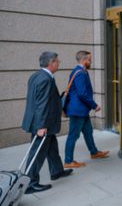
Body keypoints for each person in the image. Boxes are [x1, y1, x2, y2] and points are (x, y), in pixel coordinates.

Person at [22, 52, 73, 194]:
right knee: (37, 153)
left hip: (44, 122)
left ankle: (56, 171)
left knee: (52, 148)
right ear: (51, 63)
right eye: (57, 61)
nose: (59, 63)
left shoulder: (37, 76)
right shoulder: (45, 79)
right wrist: (41, 126)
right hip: (43, 123)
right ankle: (30, 183)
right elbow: (41, 104)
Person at [63, 50, 109, 168]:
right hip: (78, 111)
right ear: (83, 60)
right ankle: (68, 161)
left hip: (82, 110)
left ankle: (94, 152)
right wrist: (94, 105)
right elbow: (82, 93)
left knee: (88, 132)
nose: (91, 61)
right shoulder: (80, 73)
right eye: (89, 59)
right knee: (73, 135)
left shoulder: (80, 71)